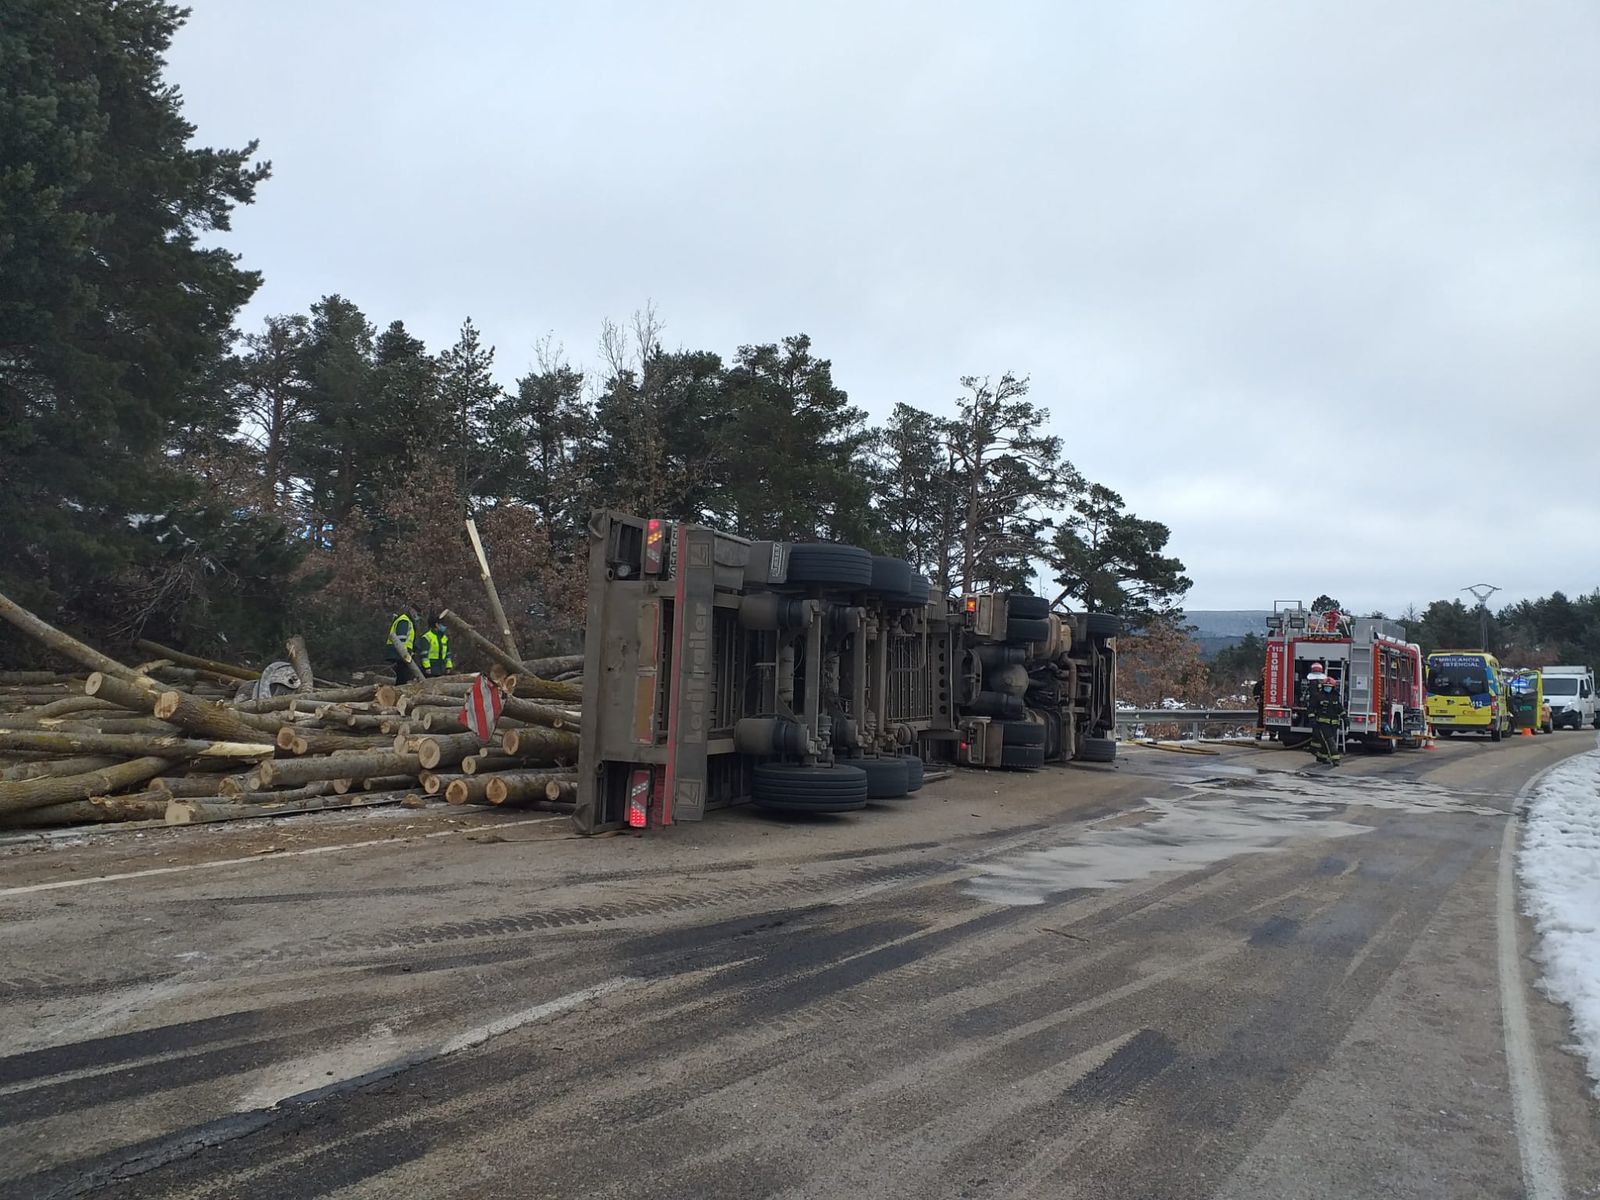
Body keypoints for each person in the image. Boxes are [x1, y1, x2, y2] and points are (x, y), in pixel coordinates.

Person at [1309, 676, 1344, 766]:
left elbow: (1339, 708)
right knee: (1330, 741)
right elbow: (1311, 708)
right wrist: (1312, 719)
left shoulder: (1336, 696)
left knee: (1325, 742)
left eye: (1329, 687)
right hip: (1322, 724)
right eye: (1326, 686)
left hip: (1334, 724)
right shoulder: (1318, 696)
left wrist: (1345, 717)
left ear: (1333, 687)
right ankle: (1335, 759)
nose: (1327, 688)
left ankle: (1322, 757)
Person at [385, 608, 420, 683]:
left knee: (402, 676)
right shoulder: (404, 620)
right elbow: (401, 638)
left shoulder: (407, 620)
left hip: (401, 653)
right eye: (418, 614)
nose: (418, 617)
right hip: (400, 653)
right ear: (413, 611)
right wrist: (405, 652)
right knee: (403, 676)